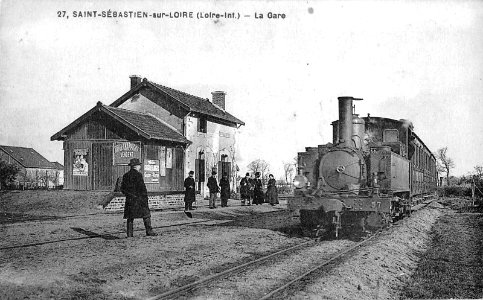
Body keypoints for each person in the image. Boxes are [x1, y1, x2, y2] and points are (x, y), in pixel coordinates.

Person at [121, 158, 157, 237]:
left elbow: (122, 189)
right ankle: (149, 231)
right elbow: (142, 188)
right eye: (139, 165)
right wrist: (144, 197)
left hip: (130, 200)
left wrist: (129, 195)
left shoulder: (125, 175)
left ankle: (129, 234)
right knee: (146, 214)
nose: (140, 167)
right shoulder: (138, 175)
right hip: (139, 199)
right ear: (136, 166)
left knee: (130, 217)